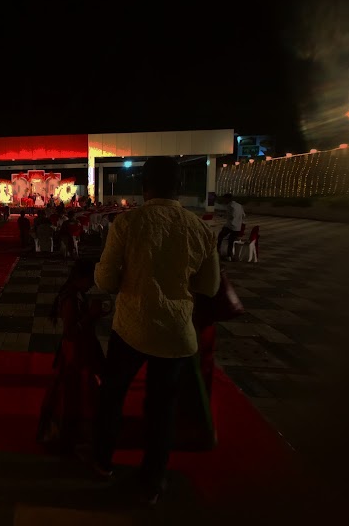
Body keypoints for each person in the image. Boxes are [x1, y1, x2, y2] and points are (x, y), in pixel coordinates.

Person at [91, 157, 220, 504]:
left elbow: (106, 281)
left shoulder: (127, 223)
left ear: (143, 186)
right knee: (162, 409)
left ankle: (102, 462)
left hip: (131, 327)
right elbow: (209, 286)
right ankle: (153, 481)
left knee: (112, 396)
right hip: (176, 333)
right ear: (180, 187)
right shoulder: (200, 229)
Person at [37, 258, 107, 454]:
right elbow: (70, 332)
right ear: (81, 278)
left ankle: (76, 433)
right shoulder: (71, 298)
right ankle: (70, 435)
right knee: (73, 393)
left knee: (77, 392)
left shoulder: (76, 294)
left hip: (78, 350)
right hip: (75, 353)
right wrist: (90, 316)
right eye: (91, 280)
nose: (92, 285)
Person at [217, 193, 245, 261]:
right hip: (238, 227)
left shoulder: (230, 206)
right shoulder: (239, 205)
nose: (224, 201)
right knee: (231, 241)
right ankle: (229, 255)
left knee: (220, 237)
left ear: (228, 199)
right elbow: (243, 215)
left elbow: (231, 216)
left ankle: (217, 252)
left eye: (224, 199)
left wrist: (224, 216)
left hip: (230, 226)